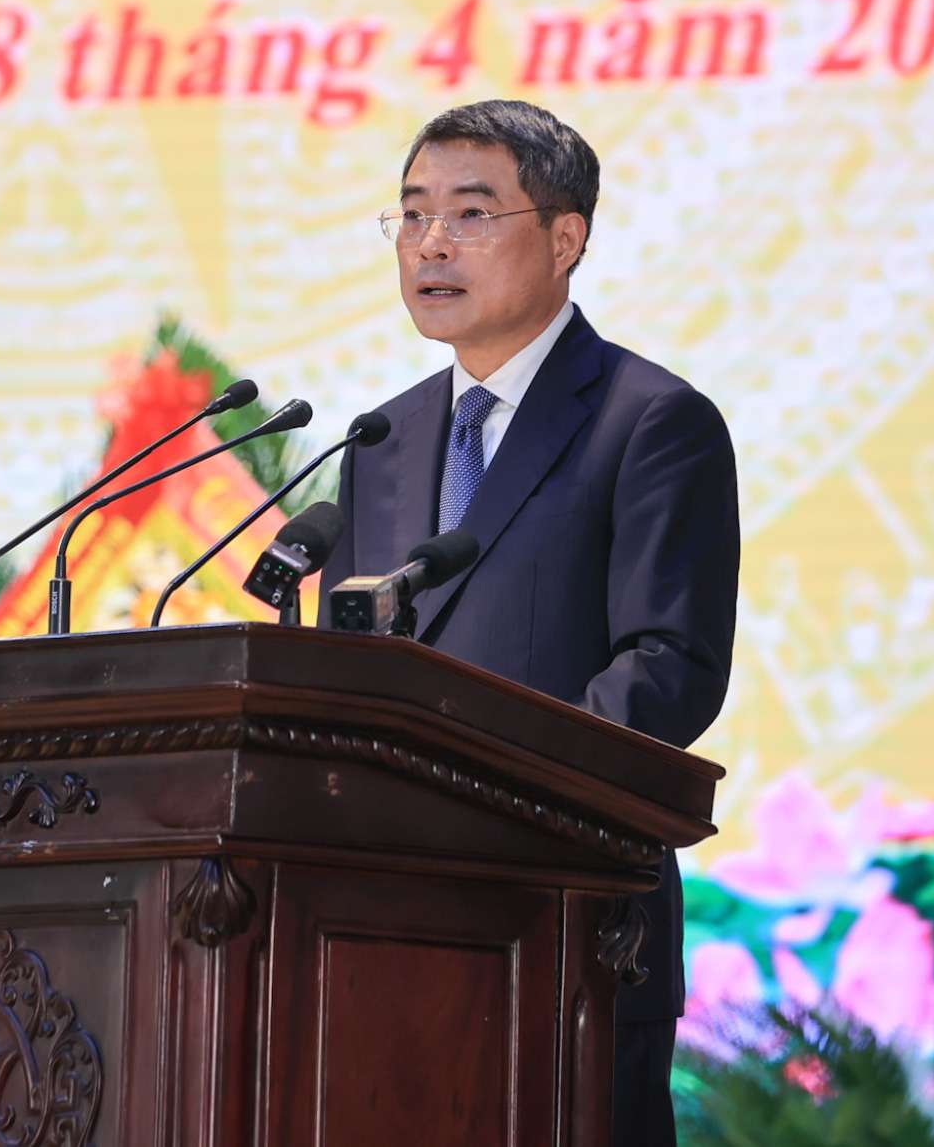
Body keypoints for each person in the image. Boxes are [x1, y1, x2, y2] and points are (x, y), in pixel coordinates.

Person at [316, 98, 739, 1146]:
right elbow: (347, 672)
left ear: (565, 237)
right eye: (410, 217)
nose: (430, 243)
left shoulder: (648, 423)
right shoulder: (382, 438)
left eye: (468, 213)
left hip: (570, 926)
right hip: (384, 935)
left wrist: (477, 797)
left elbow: (665, 670)